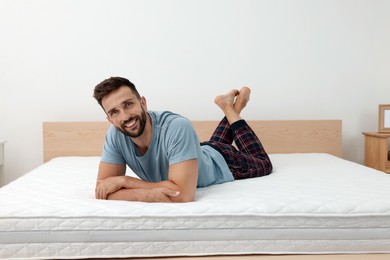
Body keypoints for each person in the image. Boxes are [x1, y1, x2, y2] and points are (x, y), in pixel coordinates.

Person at [93, 77, 272, 203]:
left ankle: (233, 108)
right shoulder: (114, 134)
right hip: (196, 154)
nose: (124, 116)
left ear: (143, 103)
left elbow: (183, 195)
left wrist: (126, 182)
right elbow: (102, 190)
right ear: (109, 119)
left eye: (128, 104)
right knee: (217, 145)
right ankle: (230, 106)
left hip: (223, 161)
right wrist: (150, 194)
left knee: (264, 164)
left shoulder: (178, 127)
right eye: (114, 112)